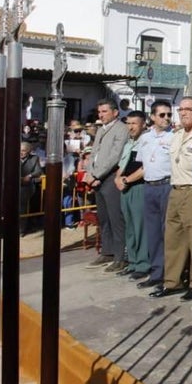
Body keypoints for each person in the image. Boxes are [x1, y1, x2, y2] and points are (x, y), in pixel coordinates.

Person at [151, 96, 192, 299]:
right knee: (173, 238)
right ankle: (172, 281)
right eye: (181, 109)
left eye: (188, 109)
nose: (183, 113)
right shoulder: (177, 135)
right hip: (175, 188)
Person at [132, 101, 174, 287]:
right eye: (162, 115)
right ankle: (157, 273)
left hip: (167, 185)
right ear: (153, 117)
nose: (166, 118)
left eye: (169, 114)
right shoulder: (145, 138)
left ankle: (170, 274)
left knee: (168, 232)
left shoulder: (174, 137)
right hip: (149, 186)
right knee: (153, 232)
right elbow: (143, 164)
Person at [83, 98, 127, 270]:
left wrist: (97, 174)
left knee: (116, 218)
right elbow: (94, 153)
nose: (101, 115)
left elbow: (115, 156)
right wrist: (89, 173)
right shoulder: (101, 129)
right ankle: (107, 251)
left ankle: (120, 256)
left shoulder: (121, 129)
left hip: (110, 177)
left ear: (115, 112)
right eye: (99, 112)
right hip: (97, 178)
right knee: (104, 217)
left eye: (104, 111)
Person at [115, 110, 148, 278]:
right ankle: (133, 262)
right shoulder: (129, 143)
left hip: (139, 188)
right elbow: (122, 165)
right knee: (130, 227)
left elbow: (145, 168)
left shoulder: (147, 141)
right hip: (125, 188)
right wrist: (118, 179)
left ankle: (143, 264)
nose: (130, 127)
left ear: (143, 124)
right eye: (128, 123)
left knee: (140, 227)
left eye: (134, 123)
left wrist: (127, 180)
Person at [19, 139, 43, 221]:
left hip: (26, 186)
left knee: (22, 206)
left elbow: (39, 171)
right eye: (20, 150)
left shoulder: (34, 158)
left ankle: (22, 225)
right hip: (13, 185)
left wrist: (29, 176)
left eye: (23, 151)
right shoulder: (12, 156)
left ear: (28, 151)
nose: (21, 152)